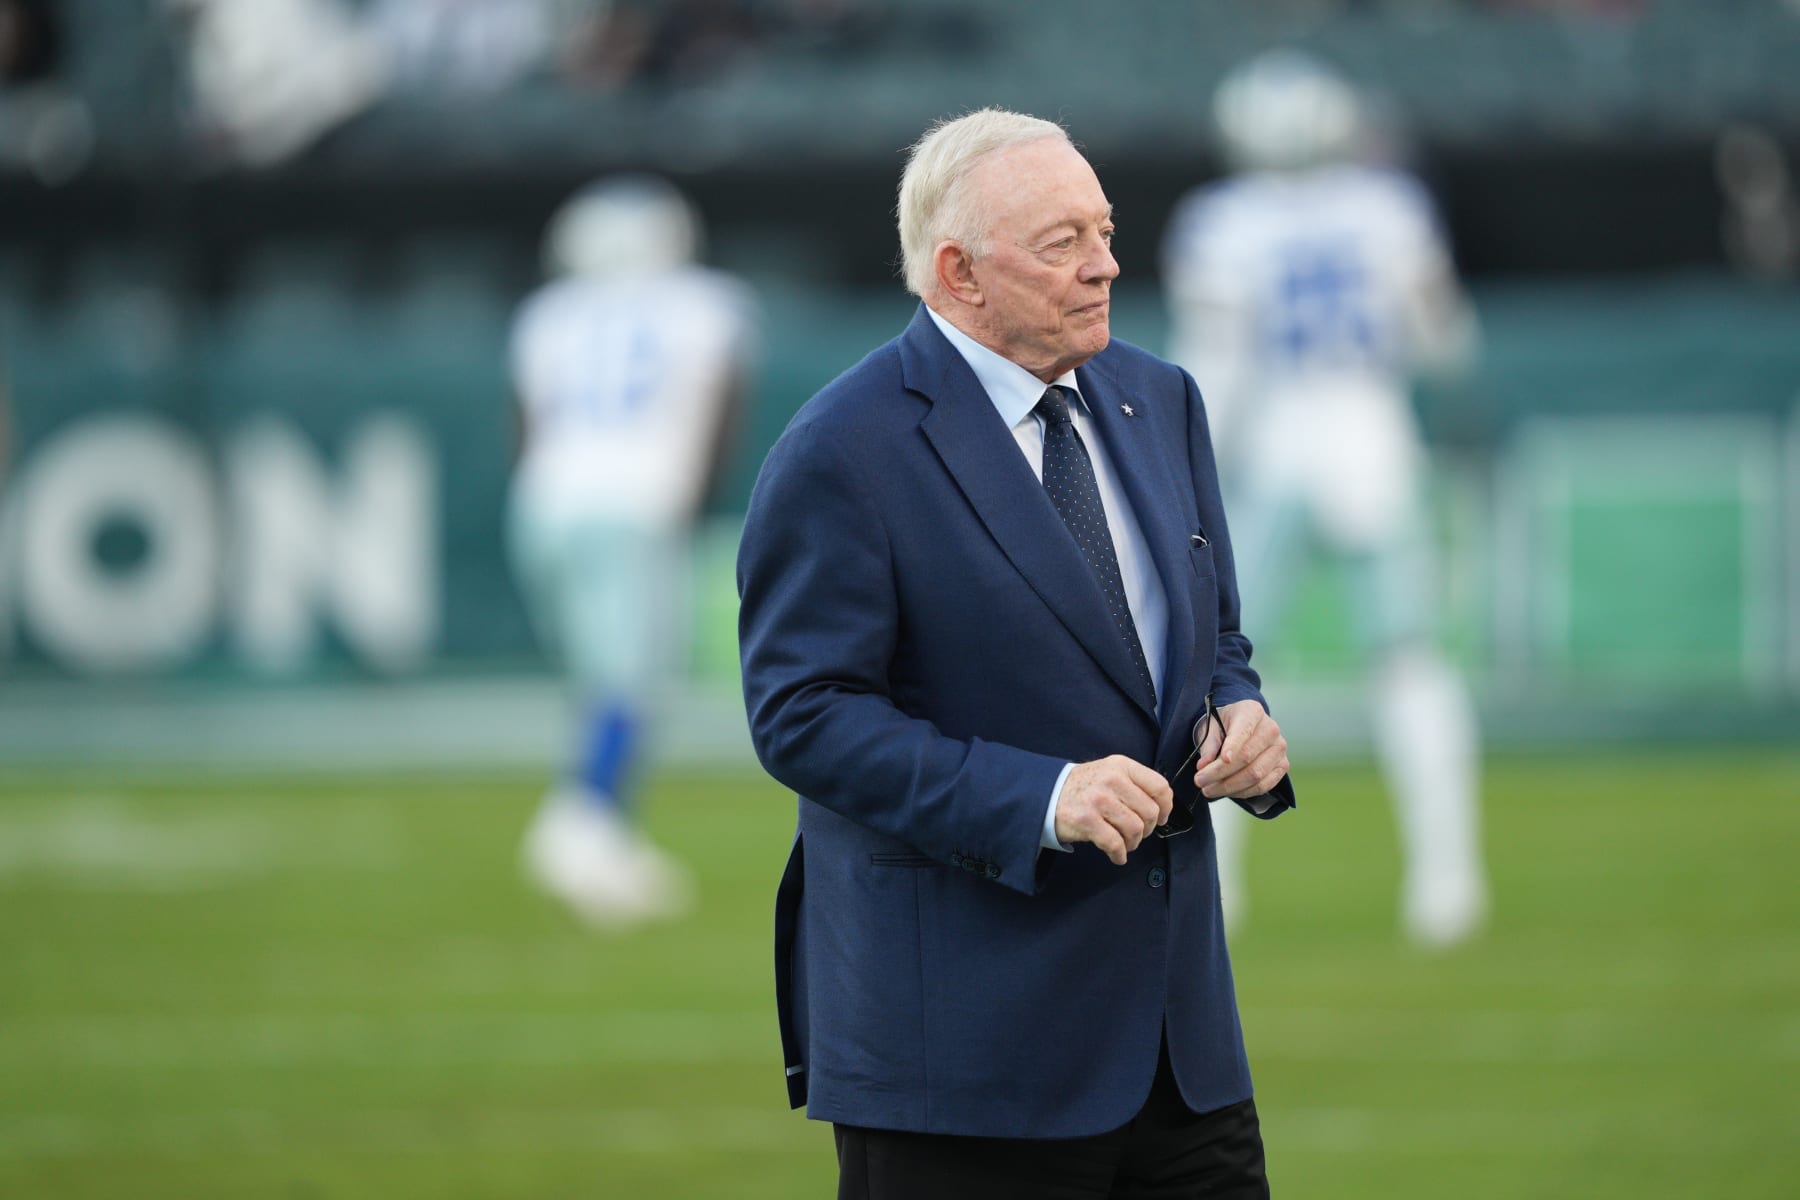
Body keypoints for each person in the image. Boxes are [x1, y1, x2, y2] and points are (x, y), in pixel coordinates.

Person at [738, 108, 1295, 1198]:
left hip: (1181, 1053)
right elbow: (804, 711)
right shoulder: (842, 448)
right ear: (958, 273)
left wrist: (1240, 716)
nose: (1107, 266)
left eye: (1105, 229)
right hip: (963, 1056)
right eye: (1063, 244)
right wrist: (1041, 799)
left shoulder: (1160, 397)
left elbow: (1213, 631)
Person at [1160, 49, 1488, 948]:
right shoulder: (1388, 207)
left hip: (1273, 449)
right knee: (1412, 659)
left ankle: (1215, 881)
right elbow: (1444, 338)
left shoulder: (1220, 223)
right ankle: (1447, 877)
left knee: (1218, 672)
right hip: (1373, 440)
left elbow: (1213, 369)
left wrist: (1189, 470)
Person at [509, 172, 758, 928]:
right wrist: (690, 498)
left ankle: (594, 823)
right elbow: (720, 410)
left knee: (600, 683)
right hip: (637, 505)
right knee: (632, 687)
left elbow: (528, 426)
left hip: (545, 506)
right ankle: (581, 827)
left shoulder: (545, 314)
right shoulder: (710, 306)